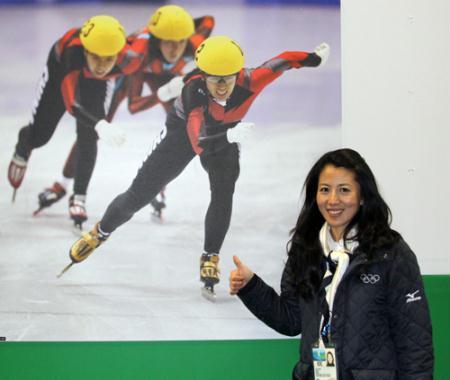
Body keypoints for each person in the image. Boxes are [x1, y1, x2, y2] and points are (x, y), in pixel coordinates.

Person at [66, 35, 330, 299]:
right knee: (139, 195)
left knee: (224, 190)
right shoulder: (193, 91)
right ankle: (99, 233)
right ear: (203, 75)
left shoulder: (252, 79)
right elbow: (198, 141)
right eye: (215, 79)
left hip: (225, 137)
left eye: (228, 78)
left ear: (238, 73)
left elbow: (284, 60)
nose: (223, 86)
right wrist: (229, 136)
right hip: (183, 136)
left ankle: (210, 255)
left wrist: (313, 59)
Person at [229, 148, 433, 379]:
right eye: (325, 190)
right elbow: (291, 320)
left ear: (362, 196)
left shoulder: (391, 253)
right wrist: (250, 286)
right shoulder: (305, 248)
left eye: (344, 190)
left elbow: (415, 344)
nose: (333, 200)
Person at [35, 5, 215, 222]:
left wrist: (177, 23)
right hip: (130, 77)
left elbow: (208, 20)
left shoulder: (194, 42)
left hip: (163, 75)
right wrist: (166, 91)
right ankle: (62, 184)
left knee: (182, 124)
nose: (175, 49)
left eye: (180, 41)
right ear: (156, 39)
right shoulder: (139, 55)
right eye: (168, 41)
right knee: (95, 129)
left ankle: (158, 182)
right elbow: (134, 106)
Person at [7, 15, 147, 230]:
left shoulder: (130, 57)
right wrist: (101, 123)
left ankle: (79, 196)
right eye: (96, 58)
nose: (102, 65)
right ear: (86, 51)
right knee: (40, 136)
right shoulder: (73, 53)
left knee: (89, 137)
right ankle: (25, 143)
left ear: (118, 55)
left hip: (94, 84)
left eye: (108, 59)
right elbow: (71, 102)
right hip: (60, 74)